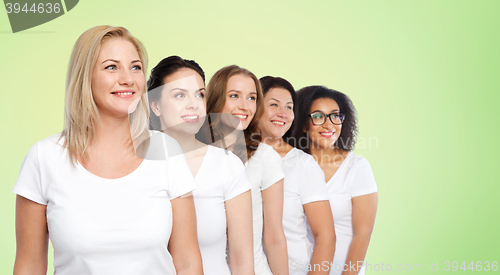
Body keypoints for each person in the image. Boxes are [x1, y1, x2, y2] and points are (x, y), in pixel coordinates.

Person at [12, 26, 203, 275]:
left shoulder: (166, 151)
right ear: (84, 77)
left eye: (135, 67)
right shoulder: (44, 158)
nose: (127, 78)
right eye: (111, 67)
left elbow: (187, 260)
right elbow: (29, 265)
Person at [147, 56, 254, 275]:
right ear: (155, 106)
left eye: (200, 94)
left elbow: (242, 261)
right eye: (179, 95)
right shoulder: (136, 165)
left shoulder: (227, 165)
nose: (193, 104)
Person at [200, 65, 288, 275]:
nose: (244, 106)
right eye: (234, 96)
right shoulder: (195, 156)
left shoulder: (265, 158)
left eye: (251, 98)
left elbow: (274, 236)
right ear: (216, 99)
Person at [293, 86, 378, 275]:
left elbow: (362, 234)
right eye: (318, 116)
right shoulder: (292, 166)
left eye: (335, 116)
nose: (329, 124)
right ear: (303, 124)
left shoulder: (357, 167)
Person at [258, 76, 336, 275]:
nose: (282, 114)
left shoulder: (303, 164)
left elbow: (325, 236)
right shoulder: (236, 159)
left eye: (289, 107)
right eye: (274, 104)